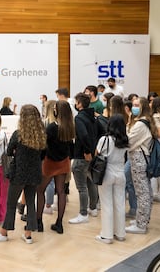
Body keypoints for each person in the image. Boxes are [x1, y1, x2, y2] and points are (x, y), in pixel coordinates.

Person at [0, 104, 46, 244]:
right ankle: (28, 234)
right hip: (34, 173)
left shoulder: (18, 135)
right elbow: (43, 154)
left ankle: (4, 232)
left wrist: (18, 152)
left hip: (19, 173)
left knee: (11, 203)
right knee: (31, 202)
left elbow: (9, 151)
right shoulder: (41, 136)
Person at [37, 100, 75, 234]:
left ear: (58, 111)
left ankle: (39, 222)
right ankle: (59, 223)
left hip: (50, 162)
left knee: (40, 190)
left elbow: (43, 145)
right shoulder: (70, 127)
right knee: (61, 192)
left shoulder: (52, 127)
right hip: (63, 162)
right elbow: (71, 147)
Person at [95, 114, 128, 244]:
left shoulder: (105, 139)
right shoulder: (125, 139)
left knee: (106, 203)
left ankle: (107, 235)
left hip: (107, 173)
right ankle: (120, 233)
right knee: (120, 203)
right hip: (120, 172)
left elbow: (97, 152)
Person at [69, 92, 98, 224]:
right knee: (89, 181)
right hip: (91, 153)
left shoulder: (80, 118)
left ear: (79, 104)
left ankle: (83, 213)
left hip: (82, 154)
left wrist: (86, 151)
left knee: (81, 186)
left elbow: (84, 135)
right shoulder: (92, 116)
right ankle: (93, 207)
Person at [125, 97, 153, 234]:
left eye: (137, 105)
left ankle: (141, 224)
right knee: (145, 190)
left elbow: (128, 141)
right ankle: (142, 219)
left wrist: (128, 125)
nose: (134, 107)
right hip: (142, 158)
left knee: (142, 192)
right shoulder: (145, 121)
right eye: (133, 105)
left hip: (138, 159)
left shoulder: (140, 124)